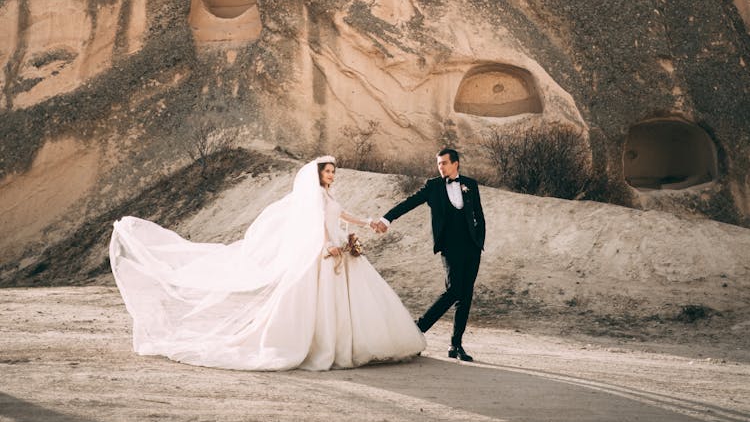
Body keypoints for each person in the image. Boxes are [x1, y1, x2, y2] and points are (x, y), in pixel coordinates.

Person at [109, 156, 424, 371]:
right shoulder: (313, 198)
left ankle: (354, 346)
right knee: (322, 303)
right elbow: (320, 225)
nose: (331, 175)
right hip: (326, 253)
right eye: (327, 171)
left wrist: (368, 222)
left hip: (338, 249)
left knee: (352, 301)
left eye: (332, 172)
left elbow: (341, 215)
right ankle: (329, 348)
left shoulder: (329, 197)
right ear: (317, 174)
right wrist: (330, 244)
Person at [374, 147, 485, 361]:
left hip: (471, 247)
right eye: (438, 164)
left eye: (444, 163)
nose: (440, 167)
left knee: (466, 295)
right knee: (454, 290)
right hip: (450, 247)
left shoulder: (470, 184)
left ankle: (456, 345)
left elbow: (478, 214)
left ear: (456, 164)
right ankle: (418, 329)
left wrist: (479, 240)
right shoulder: (433, 186)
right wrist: (387, 219)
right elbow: (409, 203)